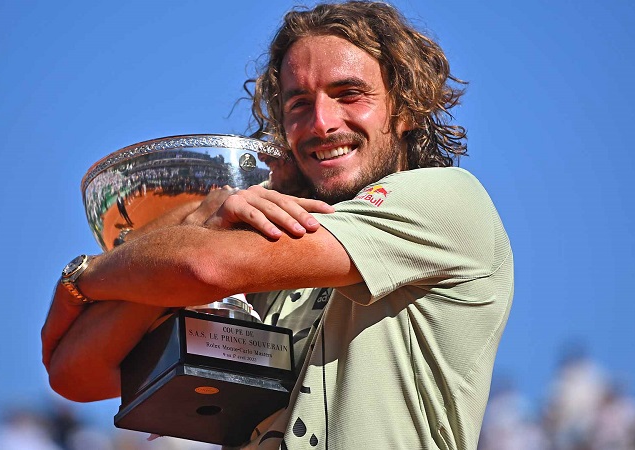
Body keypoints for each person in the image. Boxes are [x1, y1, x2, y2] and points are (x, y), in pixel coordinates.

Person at [42, 2, 514, 449]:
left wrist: (86, 275)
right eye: (299, 104)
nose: (322, 122)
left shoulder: (444, 199)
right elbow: (76, 374)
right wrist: (193, 224)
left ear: (407, 107)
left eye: (349, 94)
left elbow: (204, 267)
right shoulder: (270, 248)